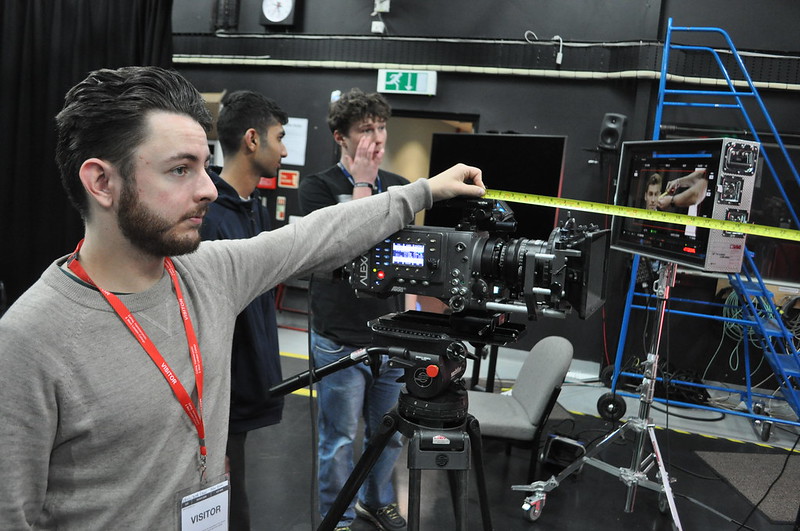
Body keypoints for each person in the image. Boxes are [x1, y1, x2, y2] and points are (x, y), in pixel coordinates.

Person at [0, 66, 485, 530]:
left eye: (205, 167)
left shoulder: (210, 272)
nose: (208, 190)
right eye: (180, 169)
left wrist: (425, 191)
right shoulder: (30, 340)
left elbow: (316, 236)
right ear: (102, 182)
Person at [298, 88, 408, 531]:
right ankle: (337, 516)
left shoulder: (398, 187)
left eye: (381, 127)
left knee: (389, 435)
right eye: (365, 129)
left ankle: (375, 501)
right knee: (339, 439)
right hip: (340, 336)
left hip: (391, 335)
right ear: (340, 137)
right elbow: (349, 249)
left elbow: (407, 264)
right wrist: (362, 183)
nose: (376, 138)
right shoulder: (318, 188)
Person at [199, 90, 288, 530]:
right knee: (228, 508)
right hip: (221, 397)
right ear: (253, 139)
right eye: (279, 137)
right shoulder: (210, 218)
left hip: (248, 386)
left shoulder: (254, 212)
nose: (284, 150)